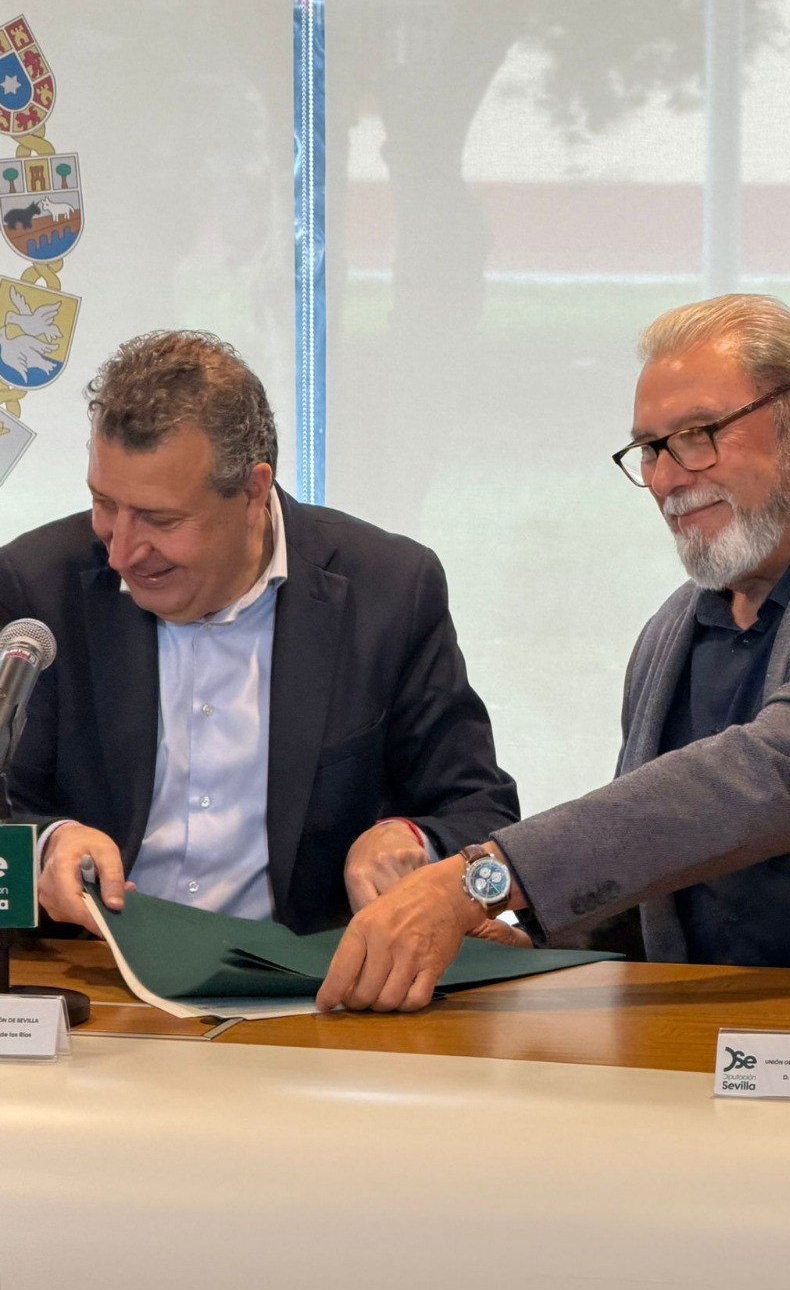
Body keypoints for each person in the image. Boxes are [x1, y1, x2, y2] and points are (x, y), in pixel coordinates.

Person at [316, 293, 790, 1012]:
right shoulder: (671, 632)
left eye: (698, 436)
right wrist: (519, 940)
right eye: (650, 448)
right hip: (719, 1033)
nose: (668, 478)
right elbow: (670, 855)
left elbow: (772, 776)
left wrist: (478, 882)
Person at [0, 329, 520, 936]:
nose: (121, 551)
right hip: (100, 980)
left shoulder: (389, 589)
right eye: (104, 504)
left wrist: (410, 840)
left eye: (161, 520)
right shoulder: (36, 584)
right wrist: (49, 846)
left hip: (314, 990)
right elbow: (12, 799)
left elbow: (479, 811)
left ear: (252, 492)